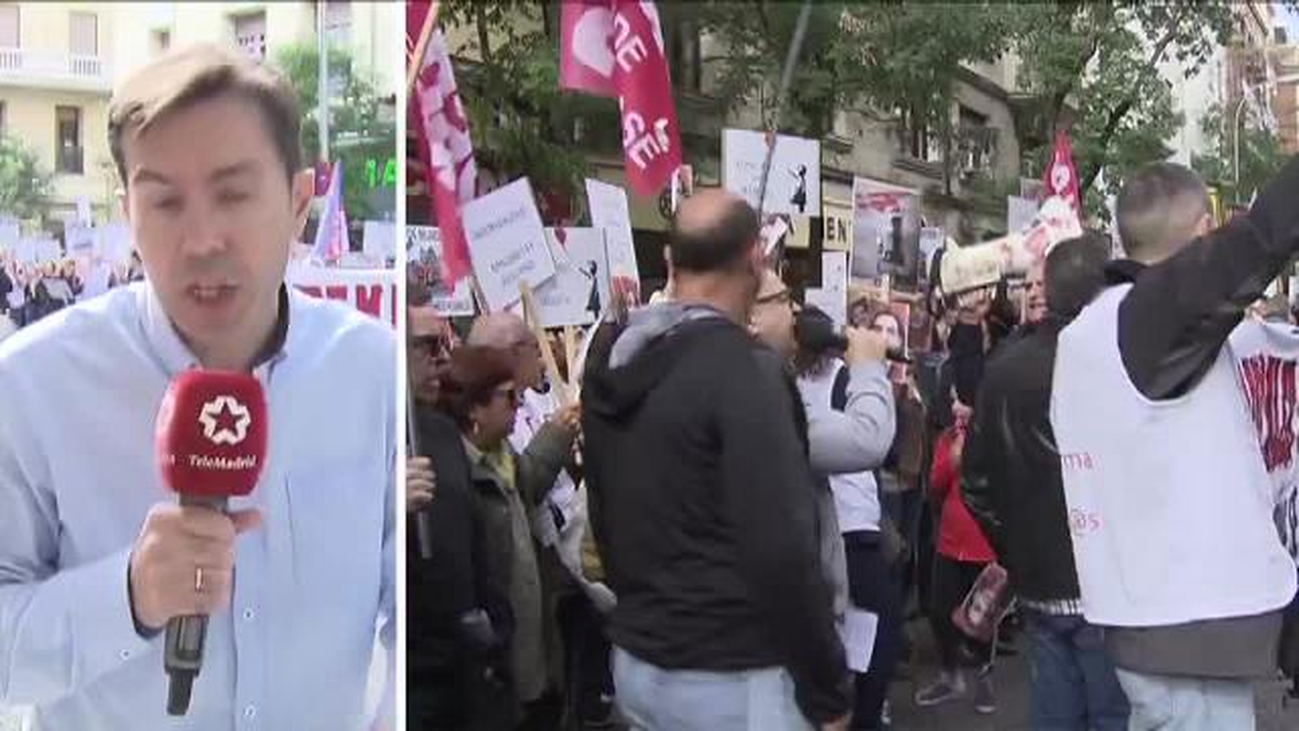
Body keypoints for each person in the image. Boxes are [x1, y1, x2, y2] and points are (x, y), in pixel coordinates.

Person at [0, 44, 395, 729]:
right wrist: (124, 597)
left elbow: (412, 616)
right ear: (127, 211)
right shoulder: (31, 386)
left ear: (300, 201)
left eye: (234, 194)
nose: (202, 238)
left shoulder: (374, 373)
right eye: (165, 202)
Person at [583, 190, 851, 730]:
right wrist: (830, 692)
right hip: (731, 680)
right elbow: (783, 549)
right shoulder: (746, 373)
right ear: (757, 258)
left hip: (639, 664)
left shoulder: (609, 359)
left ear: (669, 262)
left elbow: (603, 514)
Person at [1052, 160, 1299, 729]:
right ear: (1200, 238)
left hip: (1152, 625)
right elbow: (1260, 236)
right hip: (1186, 636)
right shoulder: (1147, 323)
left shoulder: (1094, 330)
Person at [961, 234, 1129, 730]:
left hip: (1041, 585)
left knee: (1056, 714)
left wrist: (1019, 554)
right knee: (1111, 716)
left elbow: (976, 481)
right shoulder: (1115, 361)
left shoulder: (1006, 368)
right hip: (1106, 587)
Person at [437, 345, 577, 727]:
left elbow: (527, 482)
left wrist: (557, 435)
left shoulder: (500, 455)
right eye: (508, 397)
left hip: (534, 648)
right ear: (473, 408)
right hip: (500, 666)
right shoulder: (456, 477)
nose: (519, 405)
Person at [785, 304, 901, 731]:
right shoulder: (832, 379)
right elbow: (874, 444)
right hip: (845, 532)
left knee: (859, 639)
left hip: (846, 532)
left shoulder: (789, 378)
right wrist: (872, 376)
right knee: (871, 643)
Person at [914, 386, 998, 715]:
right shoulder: (947, 438)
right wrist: (952, 463)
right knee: (940, 610)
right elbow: (934, 484)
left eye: (960, 400)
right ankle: (951, 675)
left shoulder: (995, 436)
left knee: (981, 620)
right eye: (953, 401)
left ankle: (983, 679)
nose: (955, 407)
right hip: (950, 542)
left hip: (983, 546)